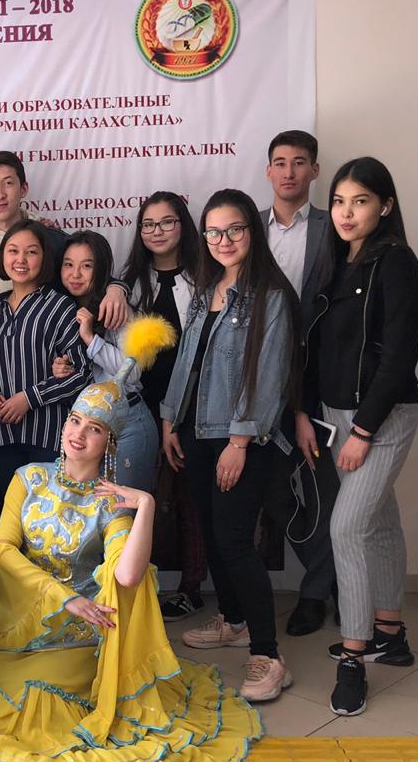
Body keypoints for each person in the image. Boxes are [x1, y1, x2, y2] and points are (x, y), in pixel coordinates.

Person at [0, 360, 260, 762]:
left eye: (94, 429)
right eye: (75, 421)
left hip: (77, 635)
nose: (78, 434)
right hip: (16, 622)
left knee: (34, 706)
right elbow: (2, 549)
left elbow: (129, 577)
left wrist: (144, 504)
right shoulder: (28, 477)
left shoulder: (112, 502)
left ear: (109, 443)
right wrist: (63, 595)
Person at [297, 157, 418, 717]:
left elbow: (399, 359)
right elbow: (315, 349)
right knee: (381, 522)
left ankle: (353, 657)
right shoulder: (337, 261)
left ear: (386, 206)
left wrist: (365, 431)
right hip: (336, 415)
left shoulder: (395, 263)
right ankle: (390, 633)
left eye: (361, 201)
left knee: (347, 527)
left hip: (382, 418)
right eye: (340, 202)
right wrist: (306, 412)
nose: (346, 213)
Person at [161, 189, 298, 702]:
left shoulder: (270, 296)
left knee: (237, 541)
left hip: (241, 437)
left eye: (234, 229)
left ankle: (268, 655)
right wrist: (170, 419)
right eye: (214, 231)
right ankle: (233, 620)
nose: (224, 240)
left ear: (252, 232)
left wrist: (239, 441)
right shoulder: (207, 288)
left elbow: (269, 373)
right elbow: (188, 362)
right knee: (214, 535)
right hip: (195, 431)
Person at [260, 130, 341, 637]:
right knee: (274, 491)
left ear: (314, 170)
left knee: (322, 490)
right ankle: (329, 576)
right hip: (261, 382)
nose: (288, 172)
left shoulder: (335, 229)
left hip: (318, 380)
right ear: (268, 170)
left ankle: (315, 593)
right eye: (280, 162)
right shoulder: (248, 229)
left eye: (299, 162)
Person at [122, 192, 207, 621]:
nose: (157, 231)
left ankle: (192, 587)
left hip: (192, 405)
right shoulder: (131, 282)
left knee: (189, 497)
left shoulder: (205, 276)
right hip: (141, 407)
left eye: (167, 222)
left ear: (183, 226)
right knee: (142, 495)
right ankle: (136, 587)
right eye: (148, 224)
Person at [0, 150, 129, 338]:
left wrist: (117, 289)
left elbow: (93, 275)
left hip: (42, 347)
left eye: (8, 183)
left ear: (23, 189)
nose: (0, 194)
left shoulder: (50, 238)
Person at [0, 218, 88, 517]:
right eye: (13, 251)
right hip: (4, 433)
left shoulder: (60, 306)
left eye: (31, 252)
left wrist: (28, 398)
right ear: (2, 257)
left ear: (45, 258)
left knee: (49, 515)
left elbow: (81, 372)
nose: (21, 259)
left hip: (48, 435)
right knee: (10, 513)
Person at [55, 231, 163, 492]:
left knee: (123, 509)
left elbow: (132, 372)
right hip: (84, 426)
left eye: (86, 266)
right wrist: (62, 368)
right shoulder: (60, 308)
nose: (75, 274)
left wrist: (91, 339)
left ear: (101, 268)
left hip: (127, 423)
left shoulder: (117, 308)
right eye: (68, 264)